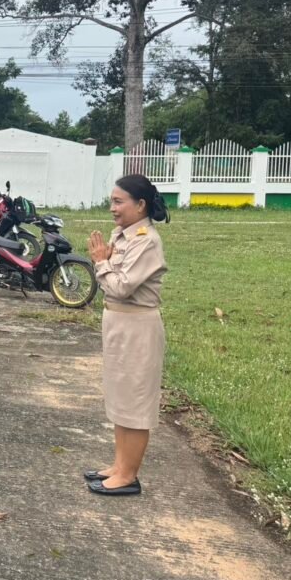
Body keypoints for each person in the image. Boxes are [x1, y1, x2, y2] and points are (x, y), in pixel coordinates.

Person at [85, 174, 170, 496]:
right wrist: (105, 262)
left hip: (138, 327)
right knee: (120, 396)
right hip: (119, 323)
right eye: (112, 201)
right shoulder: (122, 235)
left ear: (141, 205)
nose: (113, 208)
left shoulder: (146, 241)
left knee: (135, 402)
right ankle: (119, 466)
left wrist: (101, 263)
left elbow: (120, 287)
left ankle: (128, 476)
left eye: (119, 202)